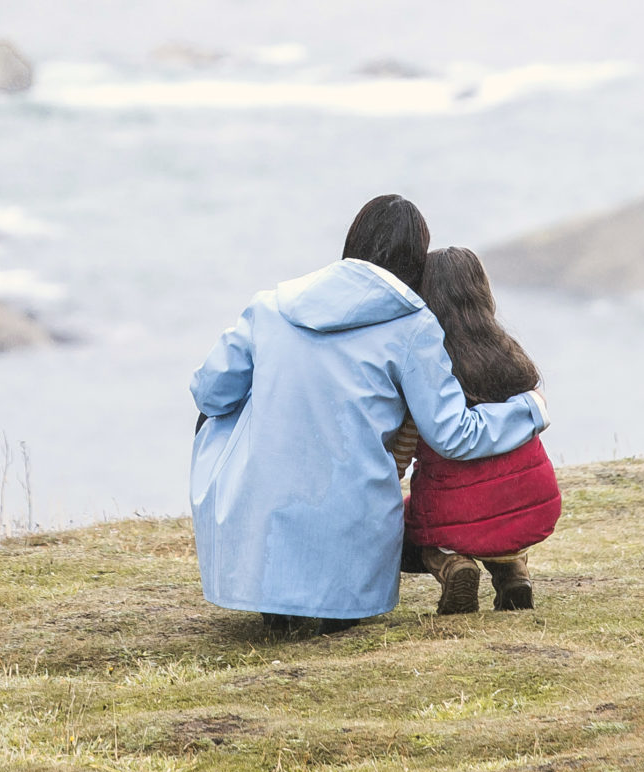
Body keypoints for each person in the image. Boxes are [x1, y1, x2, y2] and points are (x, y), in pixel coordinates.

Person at [190, 195, 549, 632]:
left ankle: (272, 581)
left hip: (258, 540)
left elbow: (210, 394)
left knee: (219, 417)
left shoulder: (269, 306)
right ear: (416, 262)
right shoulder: (414, 328)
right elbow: (453, 435)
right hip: (351, 556)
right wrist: (528, 410)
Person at [397, 247, 562, 614]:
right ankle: (512, 571)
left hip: (452, 516)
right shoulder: (512, 357)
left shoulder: (429, 368)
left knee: (406, 526)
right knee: (497, 507)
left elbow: (405, 448)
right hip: (530, 508)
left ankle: (452, 564)